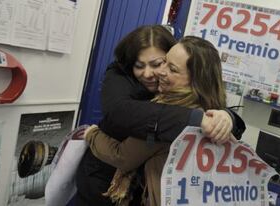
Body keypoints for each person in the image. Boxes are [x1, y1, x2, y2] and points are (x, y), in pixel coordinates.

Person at [75, 25, 245, 206]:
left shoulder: (180, 109)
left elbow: (123, 156)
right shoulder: (205, 106)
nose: (155, 73)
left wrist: (92, 133)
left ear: (195, 79)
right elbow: (118, 111)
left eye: (165, 65)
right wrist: (214, 118)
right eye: (139, 65)